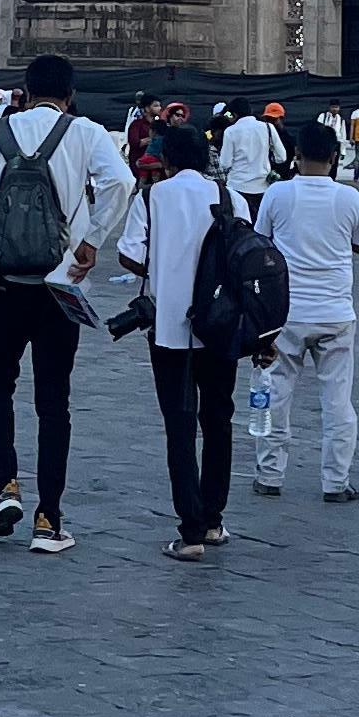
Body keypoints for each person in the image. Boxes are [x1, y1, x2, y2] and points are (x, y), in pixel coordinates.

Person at [0, 55, 134, 560]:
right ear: (69, 95)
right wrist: (92, 240)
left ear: (24, 93)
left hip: (5, 282)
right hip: (58, 285)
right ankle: (49, 518)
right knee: (54, 401)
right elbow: (121, 183)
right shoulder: (85, 132)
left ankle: (4, 488)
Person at [120, 121, 238, 558]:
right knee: (219, 421)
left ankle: (189, 529)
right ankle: (213, 519)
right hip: (221, 325)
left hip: (170, 327)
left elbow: (131, 255)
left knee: (180, 425)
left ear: (166, 159)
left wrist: (165, 267)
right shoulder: (229, 197)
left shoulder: (152, 197)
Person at [252, 118, 359, 501]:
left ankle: (270, 475)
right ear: (336, 157)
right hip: (335, 311)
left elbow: (262, 241)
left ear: (296, 155)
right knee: (338, 401)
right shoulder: (349, 197)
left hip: (284, 313)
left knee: (274, 393)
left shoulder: (277, 194)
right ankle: (335, 482)